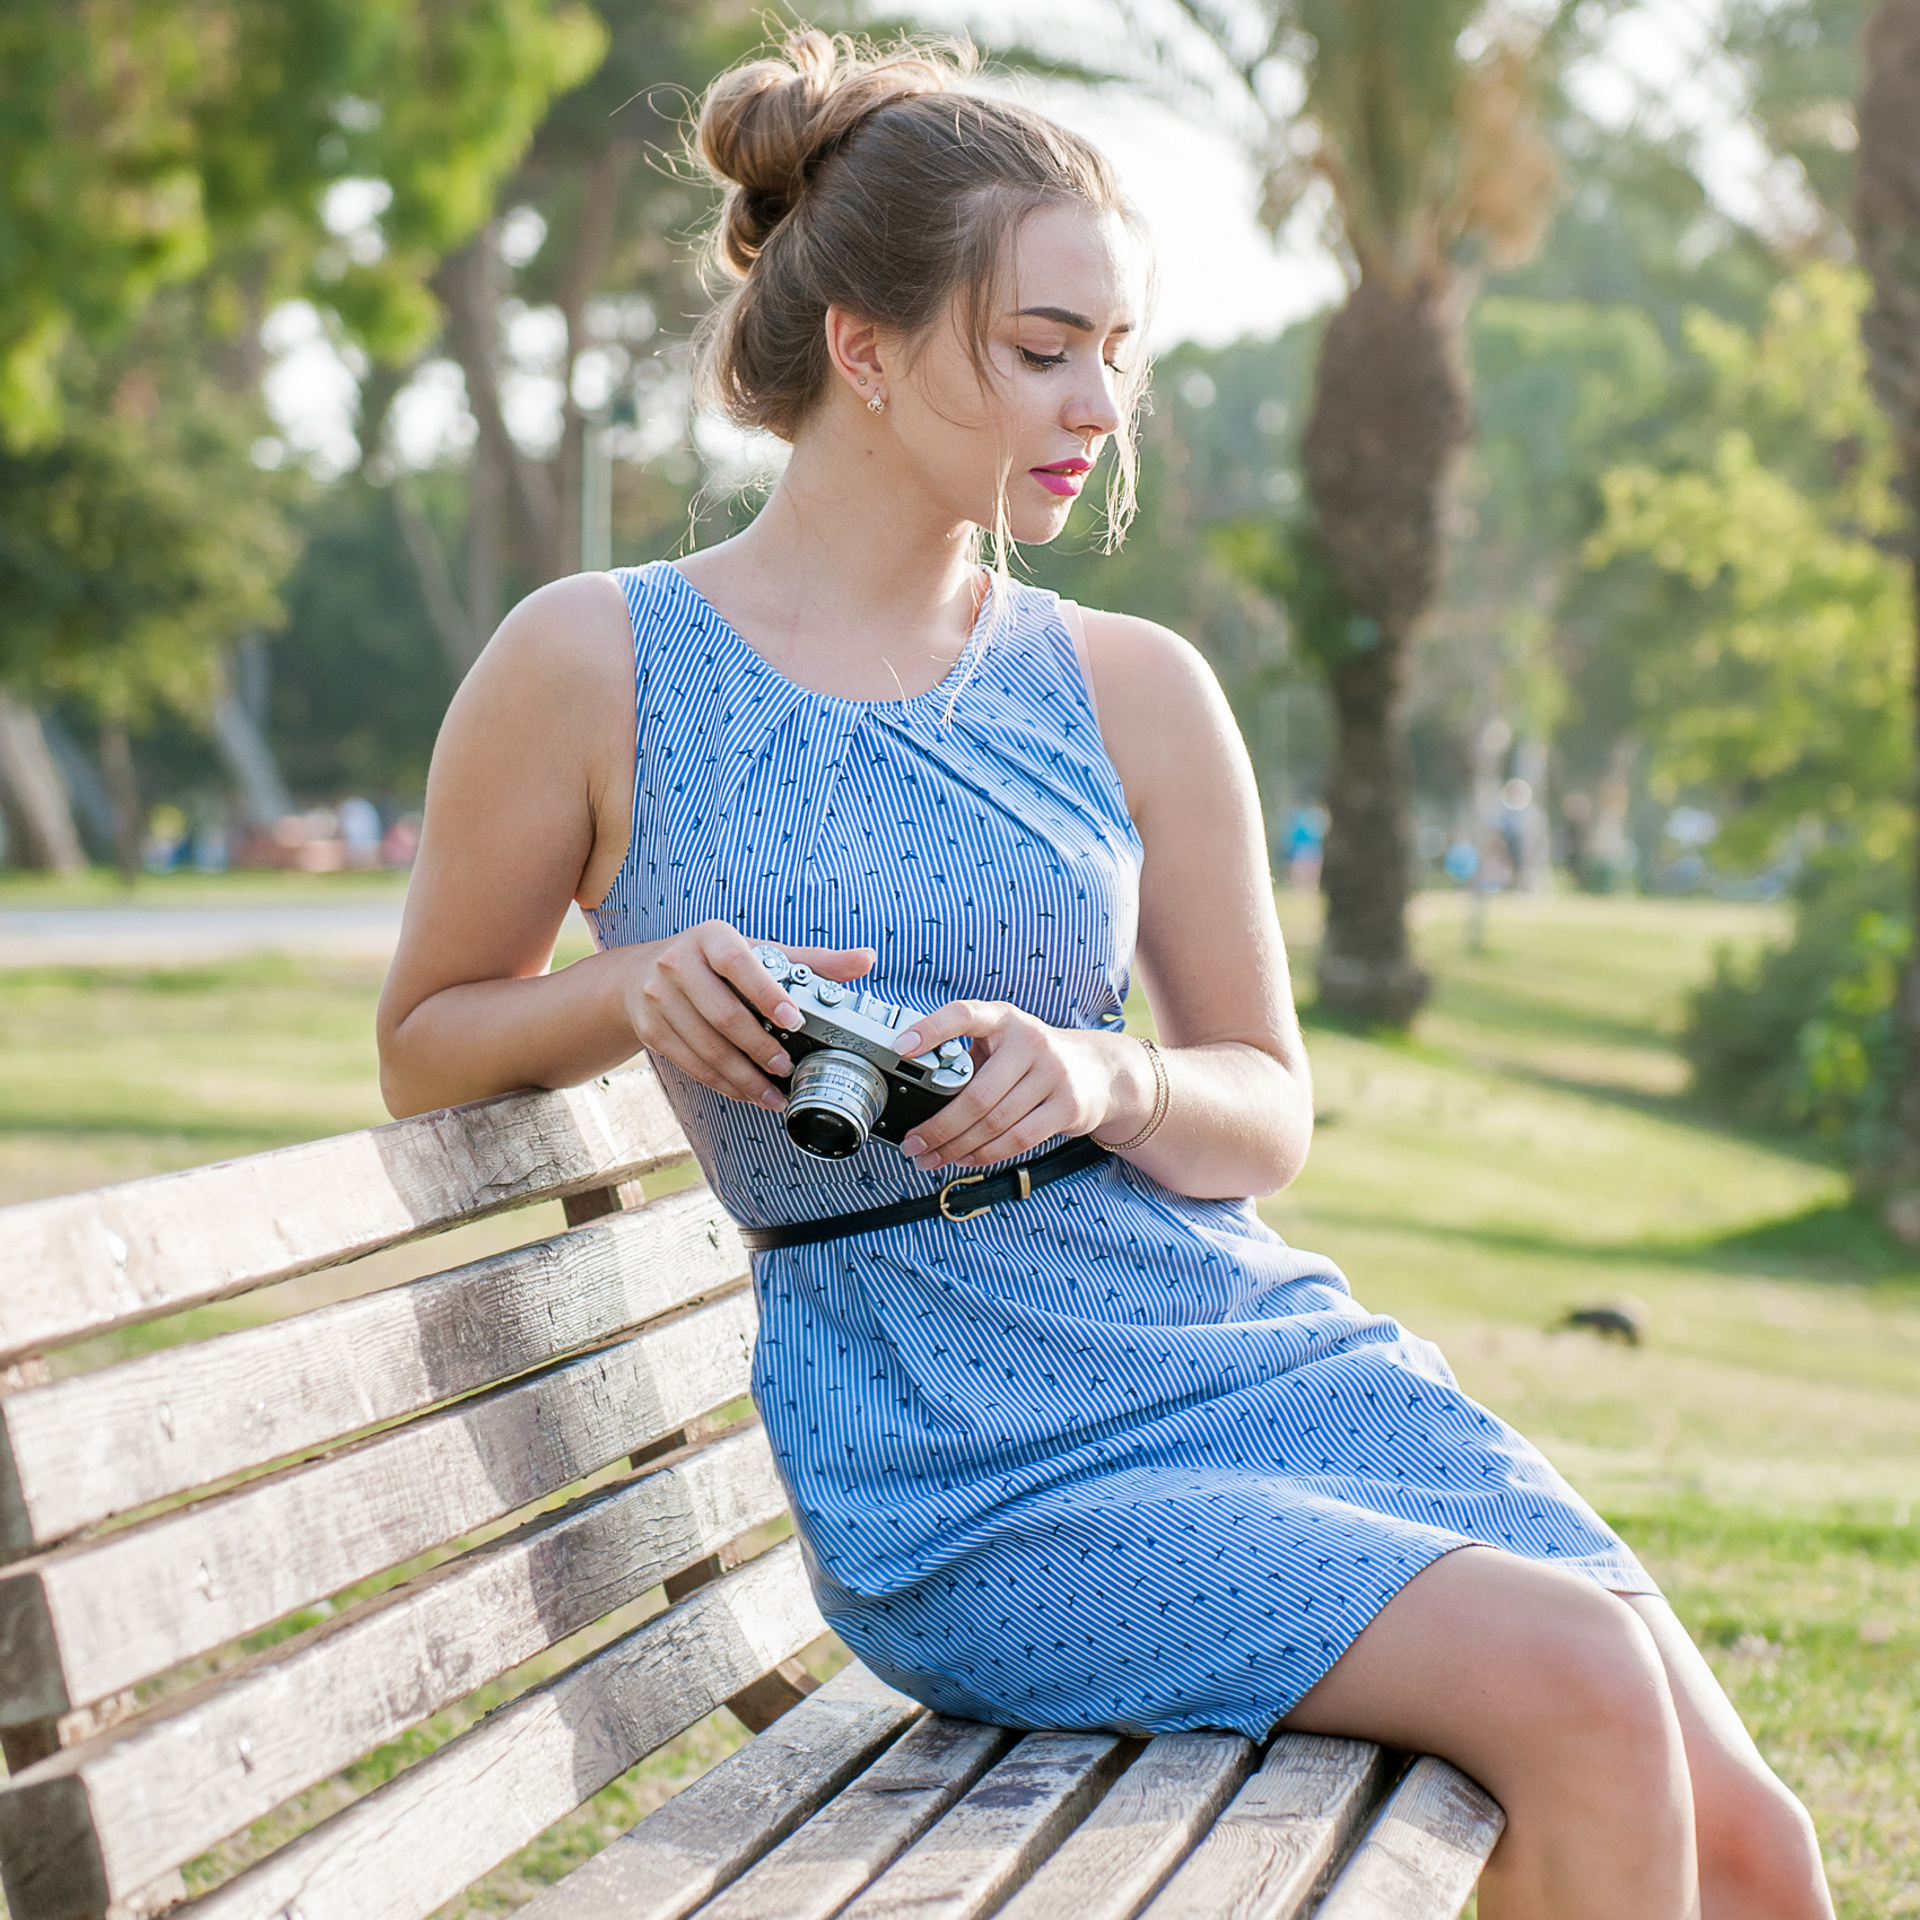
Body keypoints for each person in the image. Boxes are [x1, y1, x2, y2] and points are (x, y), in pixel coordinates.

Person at [375, 34, 1832, 1919]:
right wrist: (630, 986)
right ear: (869, 349)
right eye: (1043, 347)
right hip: (966, 1460)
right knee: (1573, 1682)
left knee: (1762, 1853)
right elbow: (424, 1045)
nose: (1097, 405)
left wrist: (1107, 1076)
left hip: (1249, 1358)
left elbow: (1264, 1108)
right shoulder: (595, 663)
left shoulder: (1131, 684)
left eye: (1115, 357)